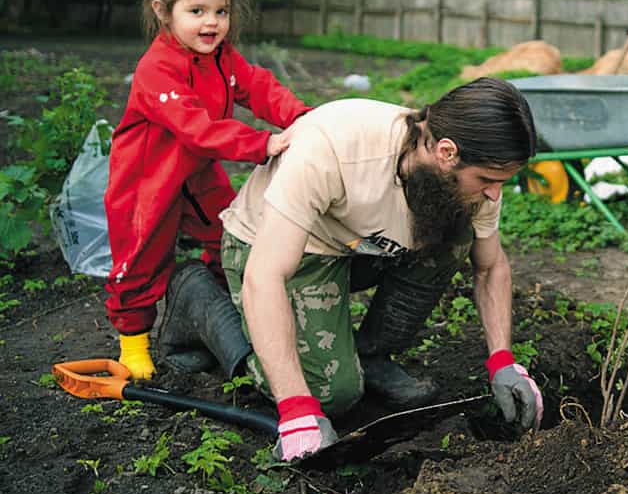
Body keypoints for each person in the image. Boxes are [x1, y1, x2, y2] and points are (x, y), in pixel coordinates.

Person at [156, 77, 545, 460]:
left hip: (360, 245)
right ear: (446, 152)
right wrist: (295, 408)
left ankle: (372, 356)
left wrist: (503, 362)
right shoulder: (332, 147)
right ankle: (200, 299)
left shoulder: (469, 173)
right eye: (488, 181)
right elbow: (266, 276)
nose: (495, 193)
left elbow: (490, 267)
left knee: (459, 234)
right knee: (329, 395)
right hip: (282, 250)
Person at [104, 0, 311, 381]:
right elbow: (196, 127)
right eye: (197, 10)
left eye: (221, 10)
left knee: (230, 230)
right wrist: (264, 143)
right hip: (149, 176)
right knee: (142, 253)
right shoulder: (157, 68)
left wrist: (301, 118)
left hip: (195, 171)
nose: (212, 22)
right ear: (163, 11)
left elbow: (259, 87)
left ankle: (214, 313)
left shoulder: (221, 58)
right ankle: (134, 341)